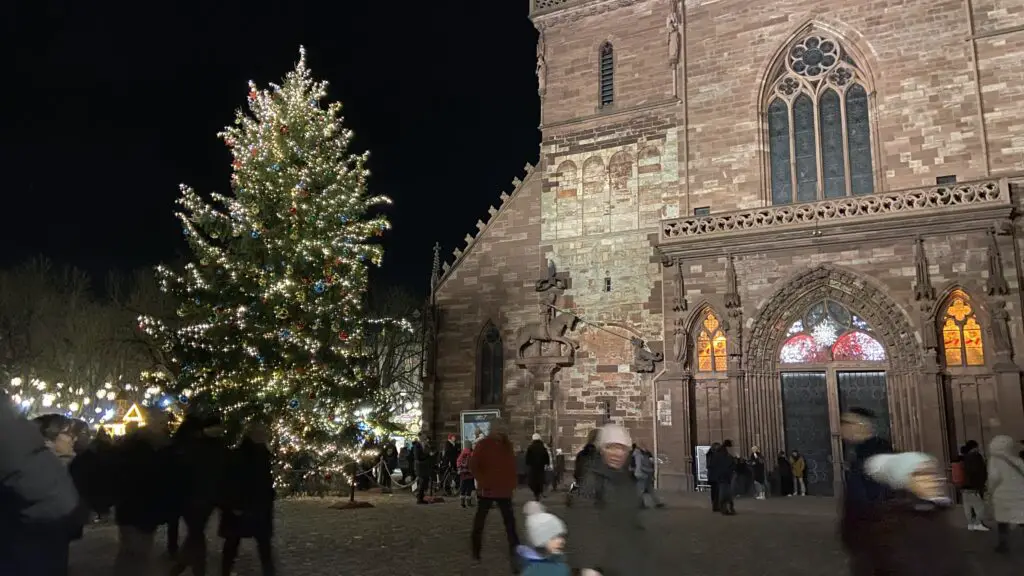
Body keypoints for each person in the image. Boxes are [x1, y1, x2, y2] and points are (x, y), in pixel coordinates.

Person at [0, 394, 80, 576]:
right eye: (67, 433)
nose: (73, 439)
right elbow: (62, 505)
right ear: (49, 438)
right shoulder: (26, 457)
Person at [859, 452, 965, 576]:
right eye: (921, 474)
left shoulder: (937, 512)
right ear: (905, 480)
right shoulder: (891, 524)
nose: (932, 479)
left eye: (932, 472)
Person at [574, 423, 649, 576]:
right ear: (602, 450)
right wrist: (588, 565)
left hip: (625, 560)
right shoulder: (593, 479)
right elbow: (584, 522)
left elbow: (633, 522)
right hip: (601, 564)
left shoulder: (627, 480)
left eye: (622, 448)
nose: (616, 453)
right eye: (611, 447)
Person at [113, 409, 172, 576]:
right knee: (137, 553)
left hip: (131, 509)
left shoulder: (133, 447)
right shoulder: (146, 451)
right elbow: (150, 481)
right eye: (161, 424)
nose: (164, 429)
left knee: (130, 552)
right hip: (140, 509)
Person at [170, 413, 228, 576]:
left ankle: (183, 568)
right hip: (199, 496)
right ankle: (192, 569)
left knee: (196, 534)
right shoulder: (200, 446)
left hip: (198, 496)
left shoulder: (191, 445)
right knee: (196, 534)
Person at [838, 406, 893, 576]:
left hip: (877, 542)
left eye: (847, 422)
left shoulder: (877, 454)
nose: (841, 427)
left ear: (862, 425)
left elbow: (878, 499)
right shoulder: (861, 453)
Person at [219, 423, 276, 576]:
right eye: (259, 433)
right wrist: (234, 504)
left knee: (259, 545)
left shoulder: (262, 454)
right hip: (244, 506)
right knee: (235, 542)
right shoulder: (241, 455)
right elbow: (231, 482)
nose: (263, 436)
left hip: (256, 506)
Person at [469, 424, 520, 570]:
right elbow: (473, 464)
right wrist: (483, 481)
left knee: (510, 522)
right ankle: (476, 549)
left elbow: (510, 465)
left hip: (504, 490)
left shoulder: (507, 446)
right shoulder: (484, 445)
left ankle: (515, 550)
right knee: (480, 521)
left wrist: (512, 483)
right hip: (488, 489)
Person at [986, 435, 1024, 553]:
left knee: (1003, 522)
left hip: (1003, 497)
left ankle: (1003, 545)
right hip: (1020, 495)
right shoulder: (1017, 460)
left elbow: (994, 477)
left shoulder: (994, 461)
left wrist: (989, 490)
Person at [516, 501, 570, 576]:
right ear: (540, 541)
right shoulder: (534, 571)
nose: (561, 541)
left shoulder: (560, 561)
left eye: (560, 536)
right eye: (553, 538)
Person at [957, 440, 988, 531]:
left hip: (964, 486)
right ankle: (978, 523)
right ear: (974, 447)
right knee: (979, 507)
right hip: (974, 486)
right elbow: (978, 472)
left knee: (968, 506)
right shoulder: (976, 456)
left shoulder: (963, 457)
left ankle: (970, 524)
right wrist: (981, 485)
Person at [632, 440, 663, 508]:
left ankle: (657, 503)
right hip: (641, 475)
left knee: (649, 489)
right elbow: (639, 465)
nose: (645, 447)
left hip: (646, 475)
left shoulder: (643, 454)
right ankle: (640, 504)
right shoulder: (639, 455)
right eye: (643, 446)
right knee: (641, 490)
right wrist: (648, 471)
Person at [710, 440, 736, 515]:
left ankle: (725, 508)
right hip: (725, 476)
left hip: (721, 476)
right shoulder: (725, 454)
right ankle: (726, 509)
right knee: (725, 493)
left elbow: (713, 465)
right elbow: (730, 464)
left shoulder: (717, 454)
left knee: (723, 493)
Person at [526, 433, 550, 501]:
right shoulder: (543, 447)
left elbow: (527, 458)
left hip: (533, 467)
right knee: (540, 480)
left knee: (533, 480)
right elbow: (546, 456)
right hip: (541, 467)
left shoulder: (530, 447)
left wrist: (528, 463)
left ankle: (536, 493)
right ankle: (539, 492)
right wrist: (547, 463)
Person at [412, 433, 431, 504]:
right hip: (420, 466)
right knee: (422, 482)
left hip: (425, 466)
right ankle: (419, 498)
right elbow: (418, 457)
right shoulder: (417, 445)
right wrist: (427, 455)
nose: (426, 440)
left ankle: (421, 497)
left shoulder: (425, 445)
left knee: (425, 482)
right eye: (425, 439)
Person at [706, 442, 721, 510]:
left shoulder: (709, 454)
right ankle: (716, 505)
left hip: (712, 476)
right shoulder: (715, 455)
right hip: (716, 476)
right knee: (717, 491)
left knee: (714, 491)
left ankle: (715, 505)